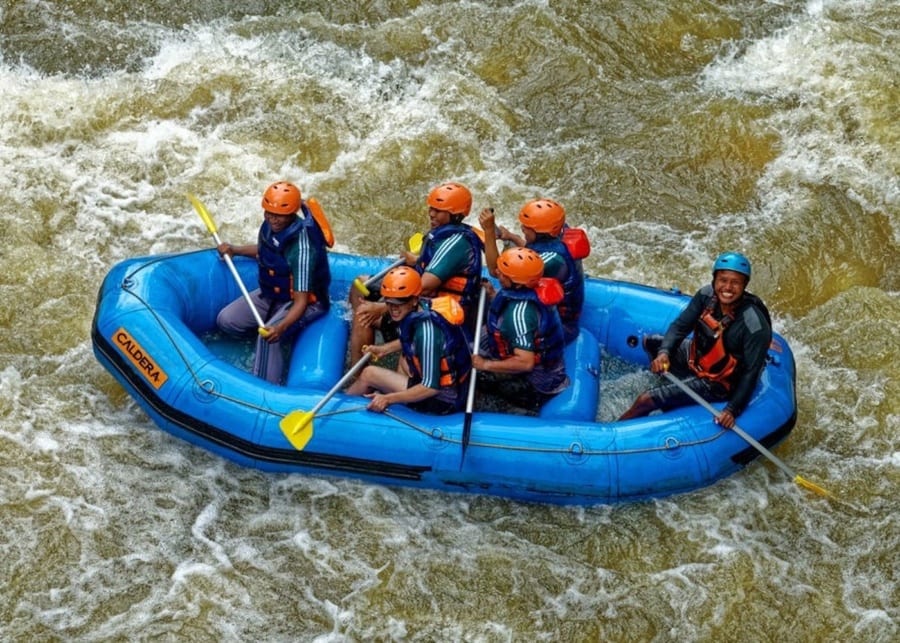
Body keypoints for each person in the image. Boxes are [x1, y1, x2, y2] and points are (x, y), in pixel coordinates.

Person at [618, 252, 772, 428]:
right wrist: (664, 354)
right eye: (723, 280)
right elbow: (680, 327)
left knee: (645, 399)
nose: (728, 287)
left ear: (745, 285)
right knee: (651, 343)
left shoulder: (753, 325)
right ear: (714, 280)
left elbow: (750, 374)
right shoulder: (706, 296)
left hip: (719, 382)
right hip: (697, 358)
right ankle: (672, 389)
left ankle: (612, 436)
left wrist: (732, 410)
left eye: (735, 282)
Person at [349, 181, 484, 363]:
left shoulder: (456, 243)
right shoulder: (448, 233)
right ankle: (372, 337)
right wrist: (418, 260)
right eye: (431, 208)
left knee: (363, 314)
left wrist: (382, 307)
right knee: (360, 284)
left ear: (455, 214)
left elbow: (425, 286)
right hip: (425, 300)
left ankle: (360, 373)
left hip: (438, 312)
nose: (431, 213)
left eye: (438, 210)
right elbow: (436, 265)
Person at [216, 181, 332, 384]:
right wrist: (234, 249)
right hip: (274, 294)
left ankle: (264, 388)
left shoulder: (302, 248)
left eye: (279, 215)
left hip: (307, 302)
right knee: (227, 320)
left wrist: (281, 327)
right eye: (269, 213)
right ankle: (272, 346)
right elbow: (266, 251)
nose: (273, 219)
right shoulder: (270, 226)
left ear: (292, 214)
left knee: (267, 339)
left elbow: (301, 302)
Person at [345, 267, 472, 415]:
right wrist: (384, 349)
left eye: (399, 303)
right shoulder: (422, 306)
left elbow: (431, 387)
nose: (393, 309)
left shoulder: (427, 332)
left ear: (413, 300)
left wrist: (388, 399)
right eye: (389, 302)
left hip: (443, 399)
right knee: (404, 360)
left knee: (369, 373)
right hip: (452, 386)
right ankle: (402, 404)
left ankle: (341, 408)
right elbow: (409, 339)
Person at [473, 247, 569, 414]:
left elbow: (525, 362)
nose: (497, 273)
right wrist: (493, 294)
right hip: (546, 367)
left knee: (476, 376)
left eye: (503, 273)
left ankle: (517, 412)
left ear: (517, 283)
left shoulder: (519, 315)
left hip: (538, 384)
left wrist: (485, 364)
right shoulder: (529, 289)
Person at [479, 198, 587, 343]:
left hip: (561, 327)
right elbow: (537, 251)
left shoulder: (552, 260)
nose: (522, 228)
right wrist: (513, 238)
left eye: (527, 227)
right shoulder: (556, 233)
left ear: (541, 233)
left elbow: (496, 271)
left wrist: (489, 231)